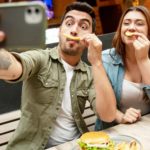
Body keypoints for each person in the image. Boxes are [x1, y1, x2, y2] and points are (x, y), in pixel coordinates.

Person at [0, 2, 116, 150]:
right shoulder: (41, 58)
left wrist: (97, 63)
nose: (74, 30)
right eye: (69, 23)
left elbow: (107, 115)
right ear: (60, 30)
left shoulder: (90, 73)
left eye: (83, 26)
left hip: (77, 145)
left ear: (90, 38)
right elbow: (13, 69)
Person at [95, 5, 150, 131]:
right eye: (126, 23)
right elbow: (101, 106)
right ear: (121, 29)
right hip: (116, 133)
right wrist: (121, 117)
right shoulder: (105, 59)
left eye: (139, 23)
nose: (131, 27)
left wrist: (143, 60)